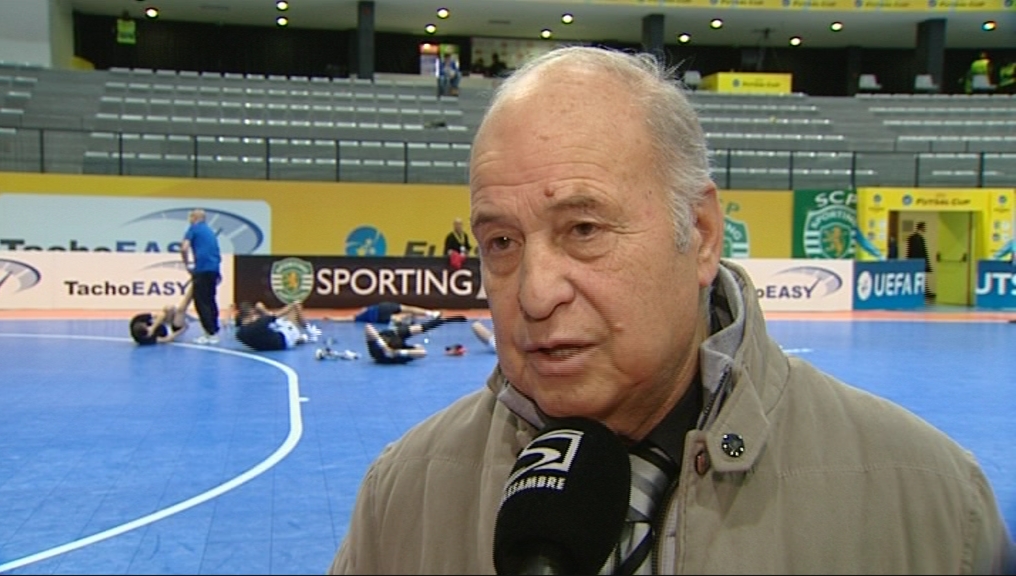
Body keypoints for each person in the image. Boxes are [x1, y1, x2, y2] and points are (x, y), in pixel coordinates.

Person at [329, 46, 1015, 574]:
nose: (536, 293)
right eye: (502, 241)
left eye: (584, 230)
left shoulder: (932, 507)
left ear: (702, 236)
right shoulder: (402, 498)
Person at [181, 208, 222, 345]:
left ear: (195, 217)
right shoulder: (209, 231)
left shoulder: (194, 229)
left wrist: (187, 264)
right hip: (213, 268)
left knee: (201, 302)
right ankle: (214, 330)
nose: (189, 219)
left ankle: (209, 333)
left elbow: (184, 247)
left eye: (191, 216)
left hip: (202, 269)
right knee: (210, 300)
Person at [363, 314, 464, 365]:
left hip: (395, 353)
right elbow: (368, 328)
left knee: (422, 351)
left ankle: (393, 352)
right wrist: (385, 347)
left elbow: (424, 327)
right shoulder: (385, 336)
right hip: (382, 354)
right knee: (420, 351)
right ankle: (390, 351)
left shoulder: (401, 332)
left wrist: (445, 320)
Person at [234, 300, 321, 352]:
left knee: (276, 322)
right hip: (284, 339)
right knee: (296, 307)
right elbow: (276, 315)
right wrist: (292, 304)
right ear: (250, 314)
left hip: (272, 340)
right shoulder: (258, 324)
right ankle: (311, 332)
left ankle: (300, 339)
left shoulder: (239, 335)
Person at [129, 288, 194, 346]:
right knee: (181, 309)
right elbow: (166, 339)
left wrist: (153, 327)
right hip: (171, 331)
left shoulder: (137, 319)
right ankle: (194, 287)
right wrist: (182, 330)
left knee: (169, 308)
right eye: (147, 328)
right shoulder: (144, 339)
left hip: (166, 323)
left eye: (147, 325)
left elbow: (161, 314)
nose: (148, 326)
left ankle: (190, 318)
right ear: (147, 334)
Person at [323, 301, 444, 326]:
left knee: (407, 310)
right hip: (381, 315)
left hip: (383, 309)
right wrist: (332, 318)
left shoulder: (360, 315)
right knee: (400, 316)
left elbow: (347, 318)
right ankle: (429, 314)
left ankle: (431, 313)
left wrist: (332, 318)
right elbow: (346, 319)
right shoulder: (359, 317)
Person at [906, 221, 934, 299]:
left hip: (915, 261)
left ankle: (926, 292)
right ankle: (925, 292)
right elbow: (919, 251)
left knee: (921, 277)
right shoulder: (918, 239)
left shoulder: (913, 238)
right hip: (918, 261)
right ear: (921, 228)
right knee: (920, 277)